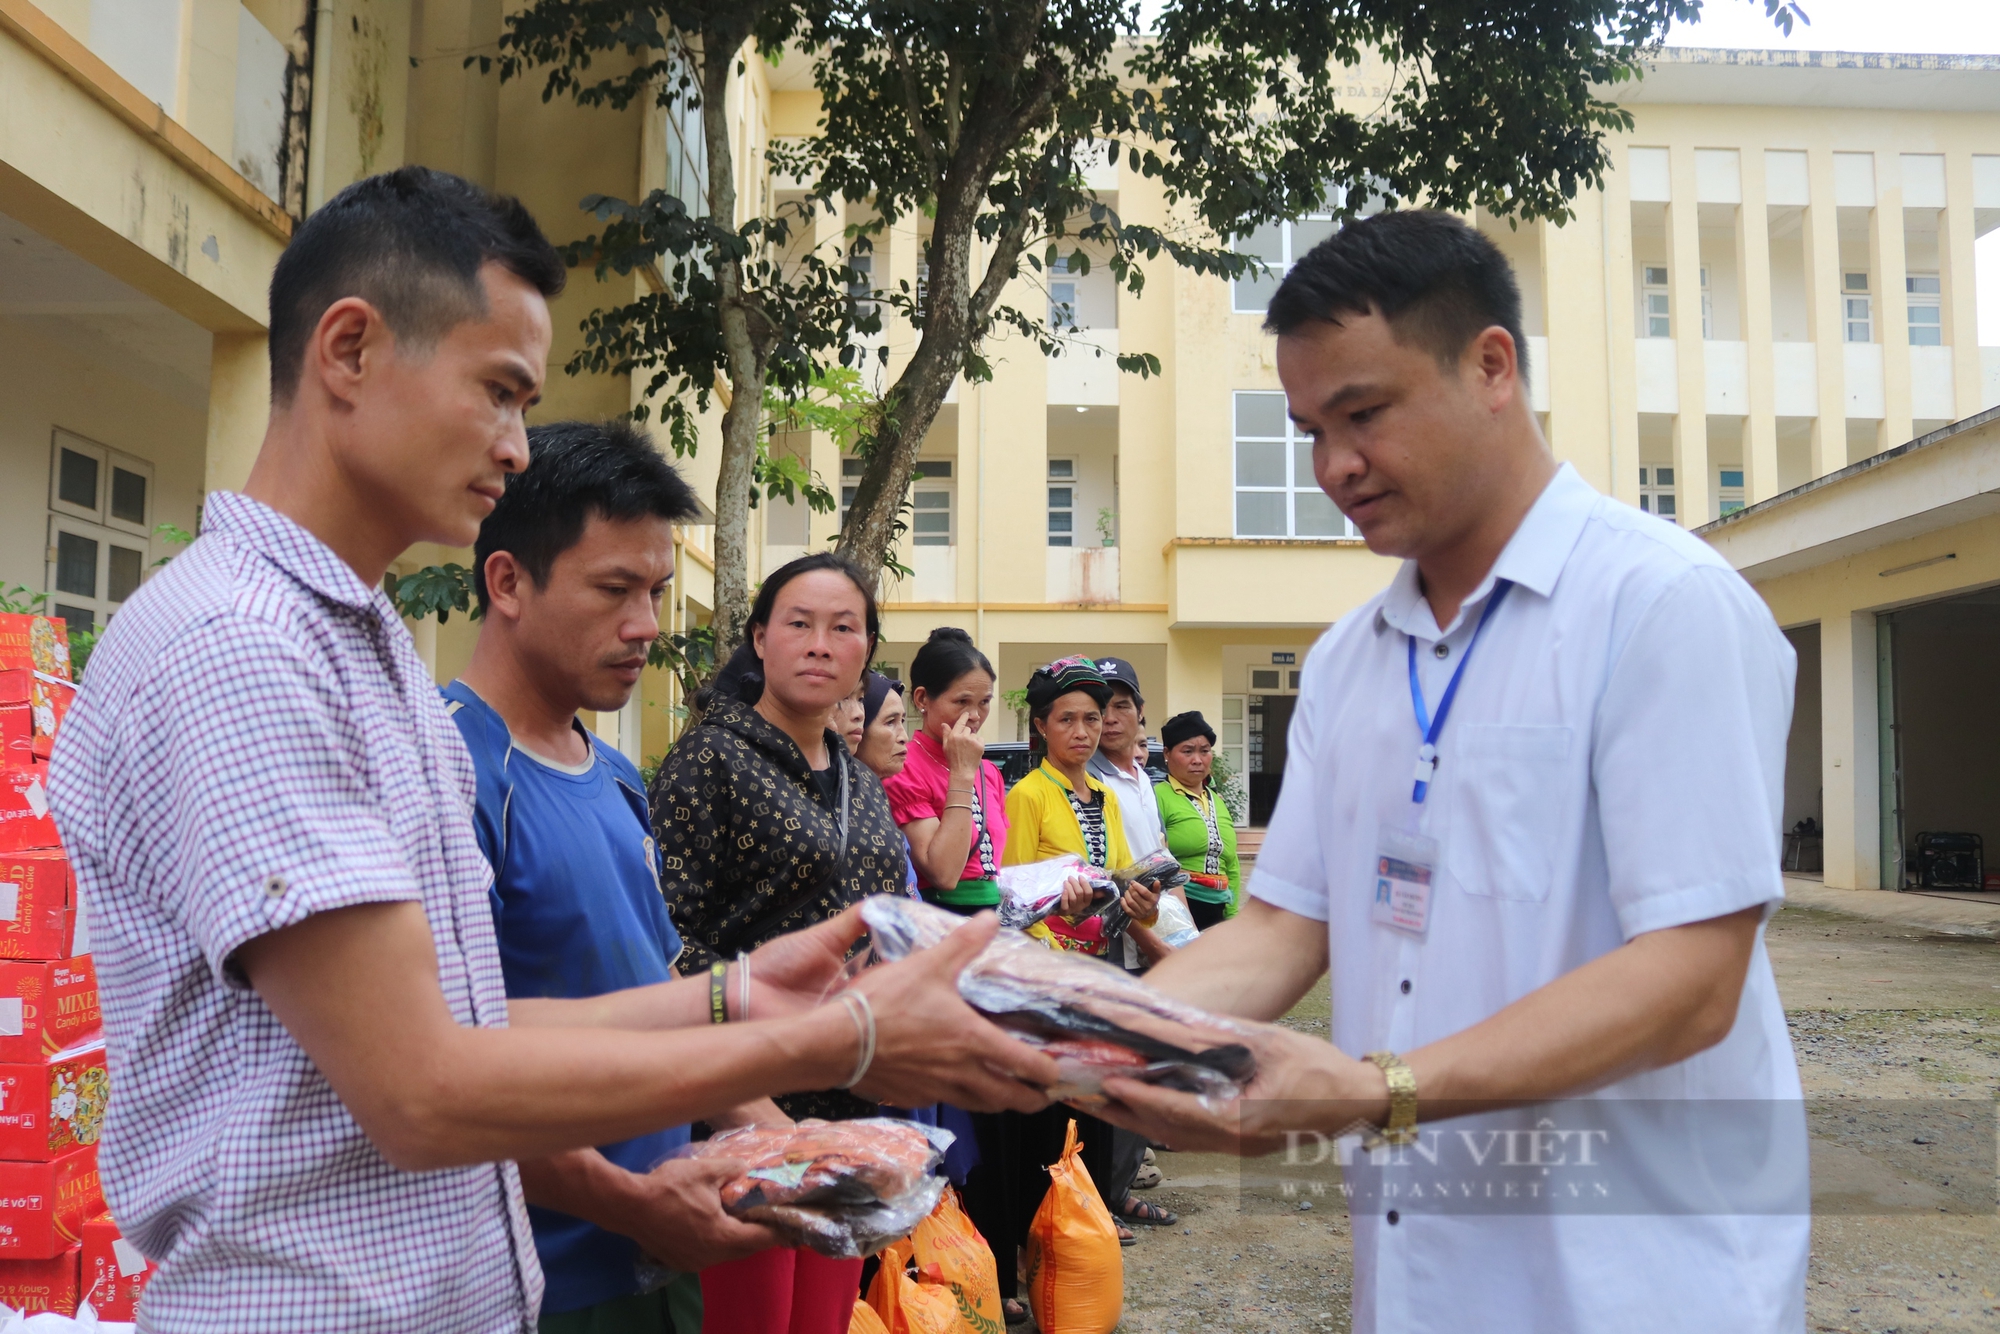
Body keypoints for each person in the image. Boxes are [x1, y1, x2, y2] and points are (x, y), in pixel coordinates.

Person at [45, 166, 1056, 1334]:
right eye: (498, 391)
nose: (519, 449)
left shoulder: (363, 655)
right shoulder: (241, 647)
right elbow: (422, 1088)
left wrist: (732, 996)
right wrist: (841, 1035)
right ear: (350, 350)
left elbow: (468, 1023)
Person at [1091, 209, 1808, 1334]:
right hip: (1421, 1278)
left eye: (1363, 413)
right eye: (1307, 430)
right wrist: (1065, 1032)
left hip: (1637, 1280)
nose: (1334, 465)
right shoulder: (1346, 665)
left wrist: (1380, 1090)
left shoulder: (1659, 606)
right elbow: (1283, 927)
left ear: (1489, 366)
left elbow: (1691, 974)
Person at [441, 419, 791, 1333]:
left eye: (656, 591)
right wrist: (623, 1203)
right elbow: (441, 1064)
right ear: (508, 581)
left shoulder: (619, 779)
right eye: (613, 590)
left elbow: (663, 1000)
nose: (646, 627)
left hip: (657, 1251)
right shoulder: (451, 770)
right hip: (539, 1278)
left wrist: (800, 1145)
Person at [648, 553, 911, 1332]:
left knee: (822, 1323)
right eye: (799, 624)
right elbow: (664, 937)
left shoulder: (861, 784)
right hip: (739, 1117)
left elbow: (884, 924)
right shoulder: (712, 760)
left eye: (843, 628)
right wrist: (754, 1111)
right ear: (760, 639)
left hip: (842, 1121)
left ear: (867, 653)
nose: (820, 644)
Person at [883, 627, 1007, 910]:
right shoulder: (904, 767)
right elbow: (943, 873)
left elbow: (1000, 867)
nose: (975, 716)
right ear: (922, 699)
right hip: (940, 920)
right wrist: (962, 775)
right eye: (962, 702)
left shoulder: (988, 771)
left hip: (992, 922)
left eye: (984, 702)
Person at [1153, 711, 1242, 929]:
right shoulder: (1157, 796)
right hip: (1178, 910)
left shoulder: (1216, 801)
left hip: (1219, 908)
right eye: (1187, 751)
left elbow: (1231, 863)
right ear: (1167, 753)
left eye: (1204, 751)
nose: (1197, 760)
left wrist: (1232, 916)